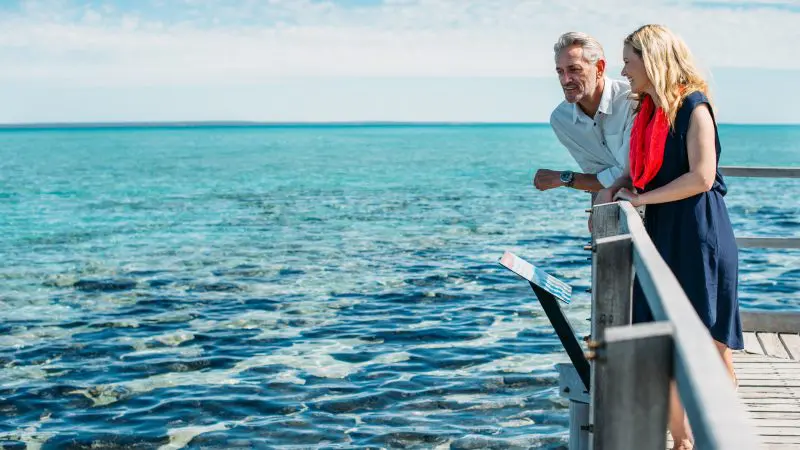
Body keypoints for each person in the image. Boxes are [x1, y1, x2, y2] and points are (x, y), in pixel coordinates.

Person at [599, 24, 743, 450]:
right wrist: (617, 189)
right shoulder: (648, 112)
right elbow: (643, 171)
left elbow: (702, 176)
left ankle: (718, 436)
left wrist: (643, 199)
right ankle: (680, 442)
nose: (624, 70)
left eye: (628, 61)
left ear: (653, 59)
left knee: (712, 345)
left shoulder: (694, 107)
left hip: (700, 234)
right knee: (662, 341)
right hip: (663, 230)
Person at [533, 32, 635, 193]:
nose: (565, 80)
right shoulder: (561, 119)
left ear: (599, 68)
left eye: (574, 69)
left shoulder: (632, 101)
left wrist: (563, 178)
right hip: (615, 206)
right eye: (560, 71)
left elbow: (632, 175)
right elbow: (596, 177)